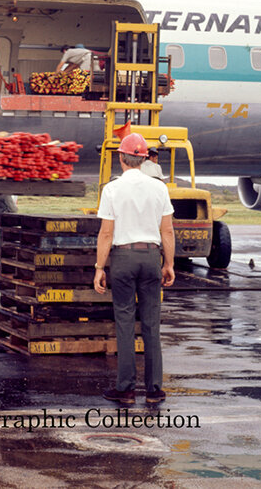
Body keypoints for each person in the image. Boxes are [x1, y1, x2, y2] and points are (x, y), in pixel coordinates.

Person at [93, 133, 175, 406]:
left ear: (121, 158)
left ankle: (126, 389)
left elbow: (106, 234)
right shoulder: (159, 188)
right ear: (143, 159)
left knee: (125, 322)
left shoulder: (112, 189)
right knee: (152, 324)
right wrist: (169, 263)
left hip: (123, 259)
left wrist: (99, 268)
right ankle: (154, 390)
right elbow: (167, 231)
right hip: (151, 257)